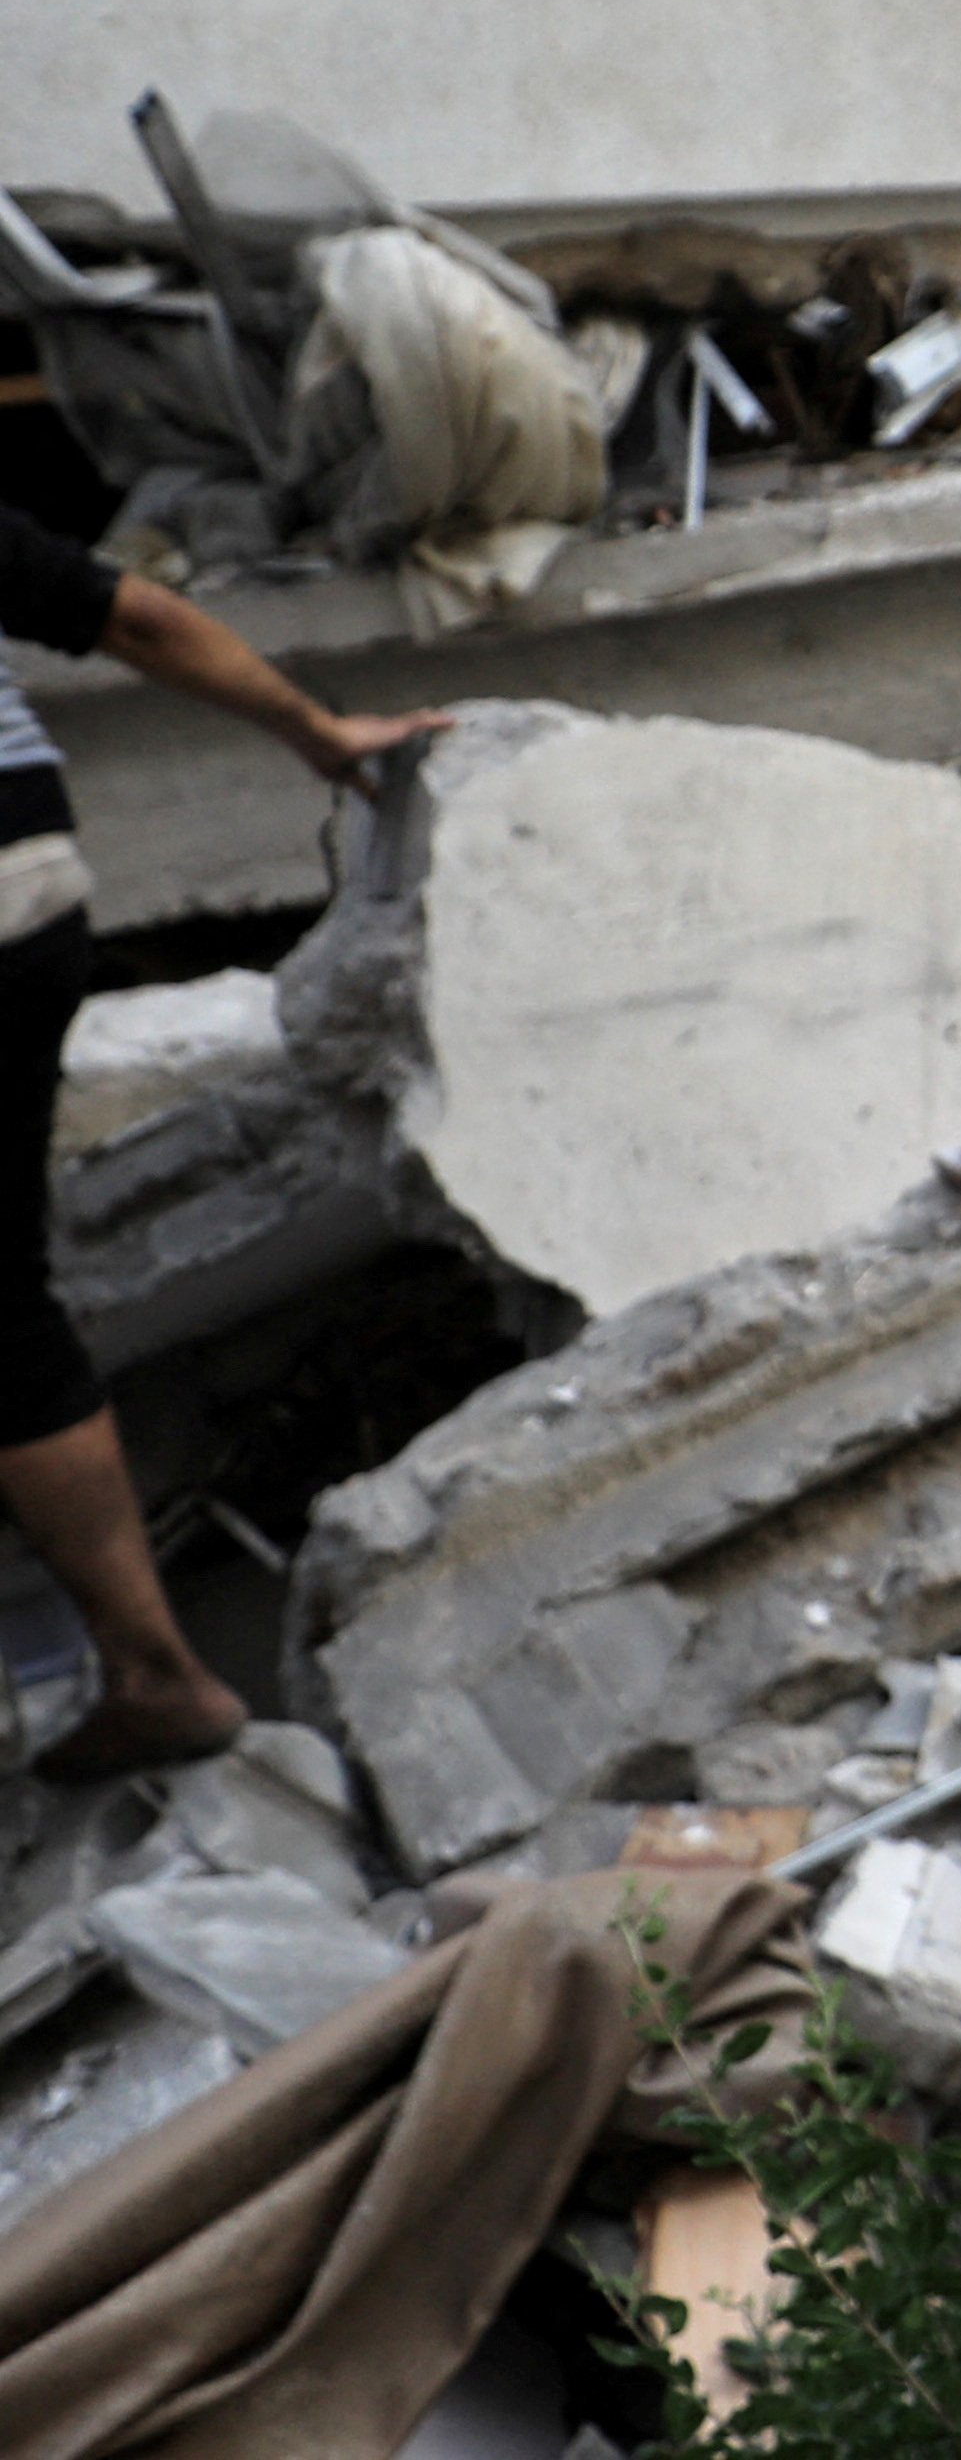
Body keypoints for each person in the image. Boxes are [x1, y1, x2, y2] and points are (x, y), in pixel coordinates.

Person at [1, 502, 447, 1774]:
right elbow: (130, 613)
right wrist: (317, 733)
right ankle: (144, 1665)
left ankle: (154, 1671)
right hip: (30, 885)